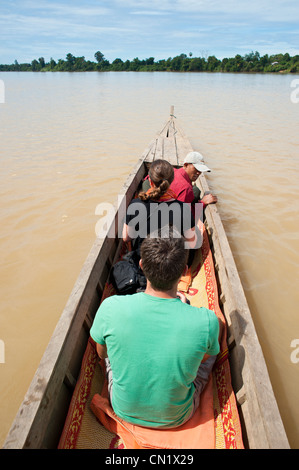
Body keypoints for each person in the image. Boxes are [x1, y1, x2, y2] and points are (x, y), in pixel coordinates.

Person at [90, 234, 220, 429]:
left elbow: (102, 354)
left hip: (123, 409)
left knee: (110, 351)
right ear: (184, 271)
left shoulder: (110, 307)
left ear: (141, 266)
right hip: (177, 416)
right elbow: (204, 358)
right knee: (211, 346)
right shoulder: (207, 320)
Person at [122, 159, 201, 265]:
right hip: (170, 265)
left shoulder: (136, 204)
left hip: (144, 261)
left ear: (150, 181)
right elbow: (191, 244)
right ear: (172, 181)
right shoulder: (183, 209)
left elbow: (126, 237)